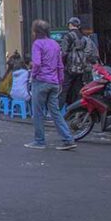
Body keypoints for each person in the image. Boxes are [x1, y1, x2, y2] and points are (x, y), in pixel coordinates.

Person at [26, 20, 76, 150]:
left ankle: (39, 141)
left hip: (41, 81)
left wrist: (33, 75)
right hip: (54, 82)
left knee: (38, 113)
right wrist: (60, 81)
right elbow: (60, 65)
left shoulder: (37, 44)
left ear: (36, 31)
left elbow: (36, 63)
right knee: (55, 113)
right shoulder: (54, 44)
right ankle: (68, 139)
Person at [59, 17, 94, 107]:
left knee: (64, 90)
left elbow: (64, 52)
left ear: (70, 25)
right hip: (81, 68)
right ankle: (76, 112)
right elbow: (89, 52)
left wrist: (62, 65)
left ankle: (57, 114)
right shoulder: (84, 37)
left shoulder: (68, 36)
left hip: (69, 68)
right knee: (78, 90)